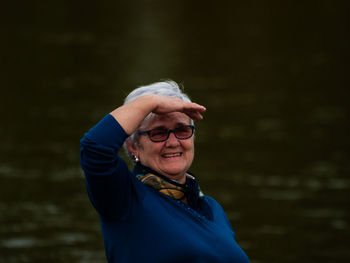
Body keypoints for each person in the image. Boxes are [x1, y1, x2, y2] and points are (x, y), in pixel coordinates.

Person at [80, 80, 250, 263]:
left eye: (182, 130)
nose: (173, 142)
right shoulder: (124, 199)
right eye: (158, 133)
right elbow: (94, 148)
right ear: (133, 147)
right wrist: (150, 102)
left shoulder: (212, 208)